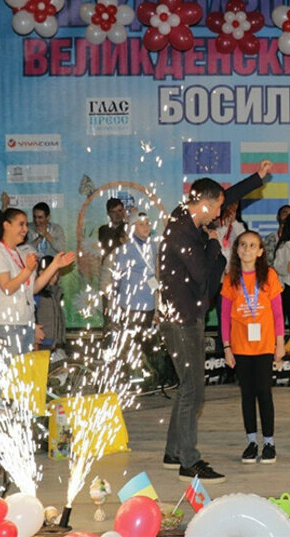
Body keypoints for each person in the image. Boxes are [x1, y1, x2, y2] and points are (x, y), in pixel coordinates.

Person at [157, 161, 270, 483]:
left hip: (183, 313)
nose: (220, 215)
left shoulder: (186, 211)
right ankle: (189, 461)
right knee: (195, 390)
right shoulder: (183, 233)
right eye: (217, 209)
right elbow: (204, 273)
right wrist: (213, 243)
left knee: (186, 388)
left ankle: (174, 451)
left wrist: (256, 179)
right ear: (203, 204)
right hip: (181, 318)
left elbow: (222, 195)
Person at [220, 230, 285, 464]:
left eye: (252, 245)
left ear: (260, 252)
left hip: (265, 345)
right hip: (240, 347)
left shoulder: (269, 276)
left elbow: (278, 313)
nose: (247, 249)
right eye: (243, 245)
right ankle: (251, 442)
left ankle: (269, 442)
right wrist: (227, 347)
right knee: (247, 395)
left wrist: (280, 343)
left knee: (264, 393)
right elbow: (225, 316)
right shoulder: (230, 279)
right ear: (237, 250)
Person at [0, 208, 75, 356]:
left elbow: (33, 288)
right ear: (7, 225)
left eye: (27, 225)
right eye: (21, 224)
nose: (26, 229)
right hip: (5, 324)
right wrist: (27, 270)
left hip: (24, 322)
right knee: (8, 376)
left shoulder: (21, 253)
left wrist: (54, 266)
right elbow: (7, 288)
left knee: (23, 376)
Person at [108, 213, 170, 379]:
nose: (146, 226)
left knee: (145, 342)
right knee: (129, 344)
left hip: (148, 304)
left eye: (148, 223)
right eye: (141, 224)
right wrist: (115, 307)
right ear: (133, 227)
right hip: (131, 305)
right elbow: (116, 279)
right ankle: (124, 378)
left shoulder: (153, 247)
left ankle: (146, 378)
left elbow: (155, 275)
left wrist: (158, 306)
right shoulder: (125, 249)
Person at [35, 255, 66, 354]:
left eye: (57, 275)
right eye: (52, 274)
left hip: (55, 341)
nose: (55, 278)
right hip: (42, 341)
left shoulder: (54, 293)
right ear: (42, 273)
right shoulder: (37, 294)